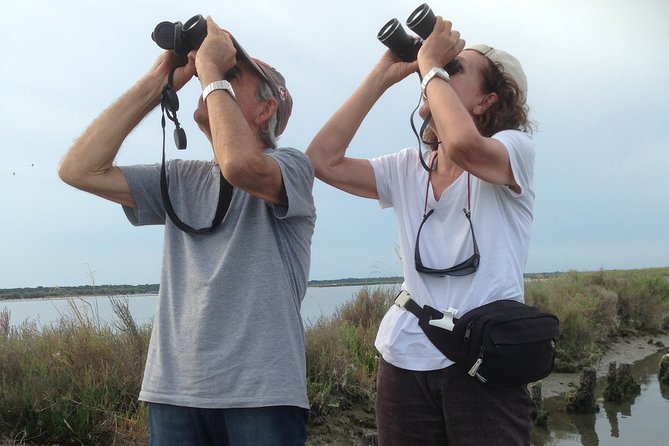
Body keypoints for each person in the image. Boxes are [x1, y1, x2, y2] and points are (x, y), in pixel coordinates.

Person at [59, 16, 315, 446]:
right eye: (209, 73)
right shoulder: (181, 179)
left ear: (266, 109)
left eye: (235, 76)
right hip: (174, 390)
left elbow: (239, 166)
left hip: (262, 395)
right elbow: (78, 170)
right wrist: (160, 78)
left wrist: (213, 72)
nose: (207, 80)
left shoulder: (291, 167)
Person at [306, 16, 536, 446]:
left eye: (455, 69)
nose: (439, 73)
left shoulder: (513, 151)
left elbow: (466, 146)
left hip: (484, 361)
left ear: (487, 101)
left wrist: (430, 65)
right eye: (439, 69)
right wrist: (384, 74)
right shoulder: (407, 167)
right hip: (405, 357)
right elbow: (321, 160)